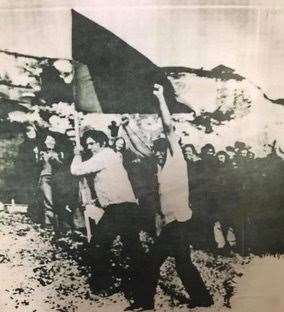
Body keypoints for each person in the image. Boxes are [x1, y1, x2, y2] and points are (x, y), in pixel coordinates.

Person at [124, 83, 213, 310]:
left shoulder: (177, 160)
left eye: (160, 151)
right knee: (182, 263)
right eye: (156, 152)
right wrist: (127, 127)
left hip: (180, 223)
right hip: (172, 224)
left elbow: (168, 126)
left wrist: (161, 97)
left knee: (154, 262)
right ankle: (202, 299)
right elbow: (139, 148)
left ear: (168, 149)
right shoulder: (159, 166)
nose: (157, 155)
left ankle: (145, 302)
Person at [70, 129, 144, 299]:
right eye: (87, 144)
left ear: (101, 143)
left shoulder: (104, 155)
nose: (89, 147)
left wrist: (76, 154)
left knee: (98, 244)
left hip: (119, 208)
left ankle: (103, 285)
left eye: (92, 143)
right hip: (126, 207)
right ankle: (142, 286)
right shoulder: (109, 155)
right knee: (132, 247)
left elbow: (76, 170)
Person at [38, 132, 64, 231]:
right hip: (45, 178)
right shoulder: (42, 153)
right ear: (44, 142)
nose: (50, 142)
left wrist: (53, 158)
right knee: (48, 201)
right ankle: (48, 226)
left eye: (52, 140)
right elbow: (38, 164)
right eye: (48, 140)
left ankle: (59, 226)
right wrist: (42, 158)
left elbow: (61, 165)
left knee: (57, 201)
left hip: (56, 178)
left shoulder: (58, 154)